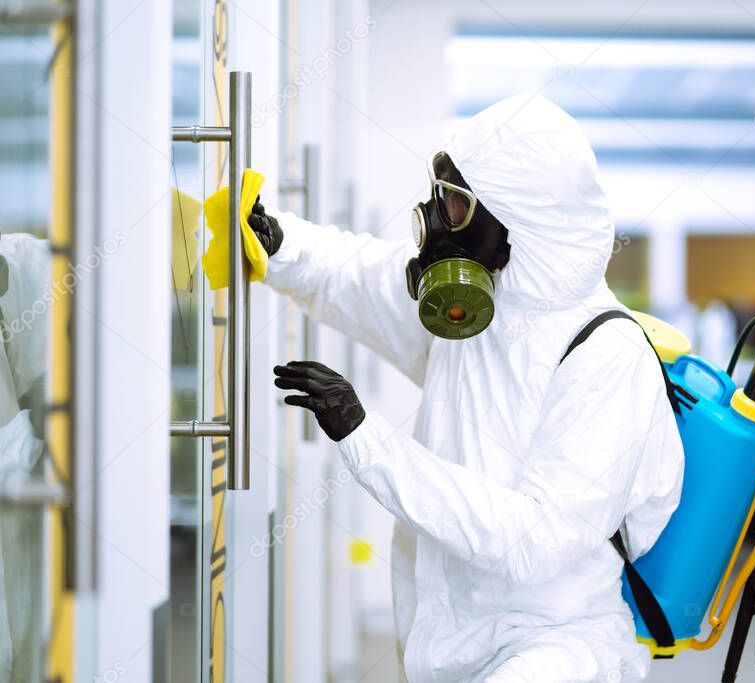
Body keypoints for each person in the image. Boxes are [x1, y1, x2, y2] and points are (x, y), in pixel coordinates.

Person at [251, 94, 684, 682]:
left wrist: (366, 437)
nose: (431, 219)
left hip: (555, 646)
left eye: (454, 204)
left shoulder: (606, 355)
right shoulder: (476, 309)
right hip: (444, 644)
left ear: (518, 220)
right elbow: (356, 276)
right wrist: (279, 244)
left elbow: (533, 540)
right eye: (438, 193)